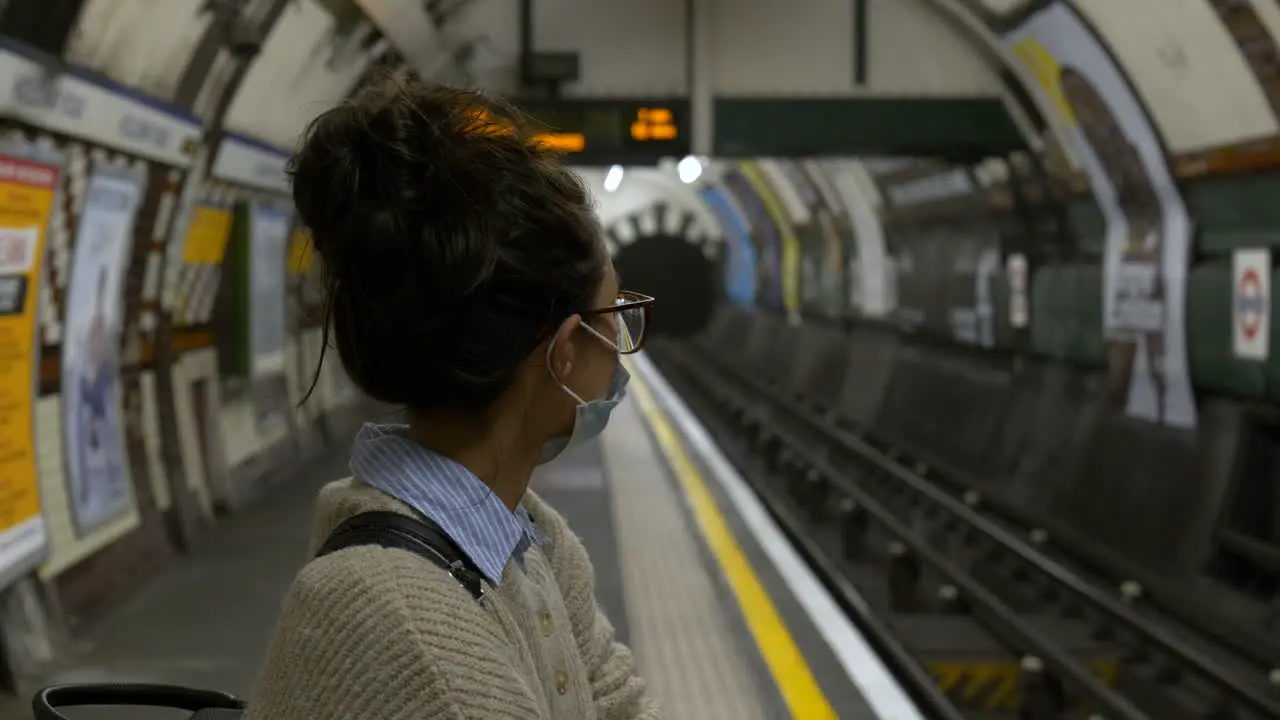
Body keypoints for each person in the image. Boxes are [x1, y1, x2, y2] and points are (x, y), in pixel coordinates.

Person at [246, 77, 661, 720]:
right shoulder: (410, 638)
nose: (622, 341)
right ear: (565, 349)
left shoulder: (535, 544)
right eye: (614, 313)